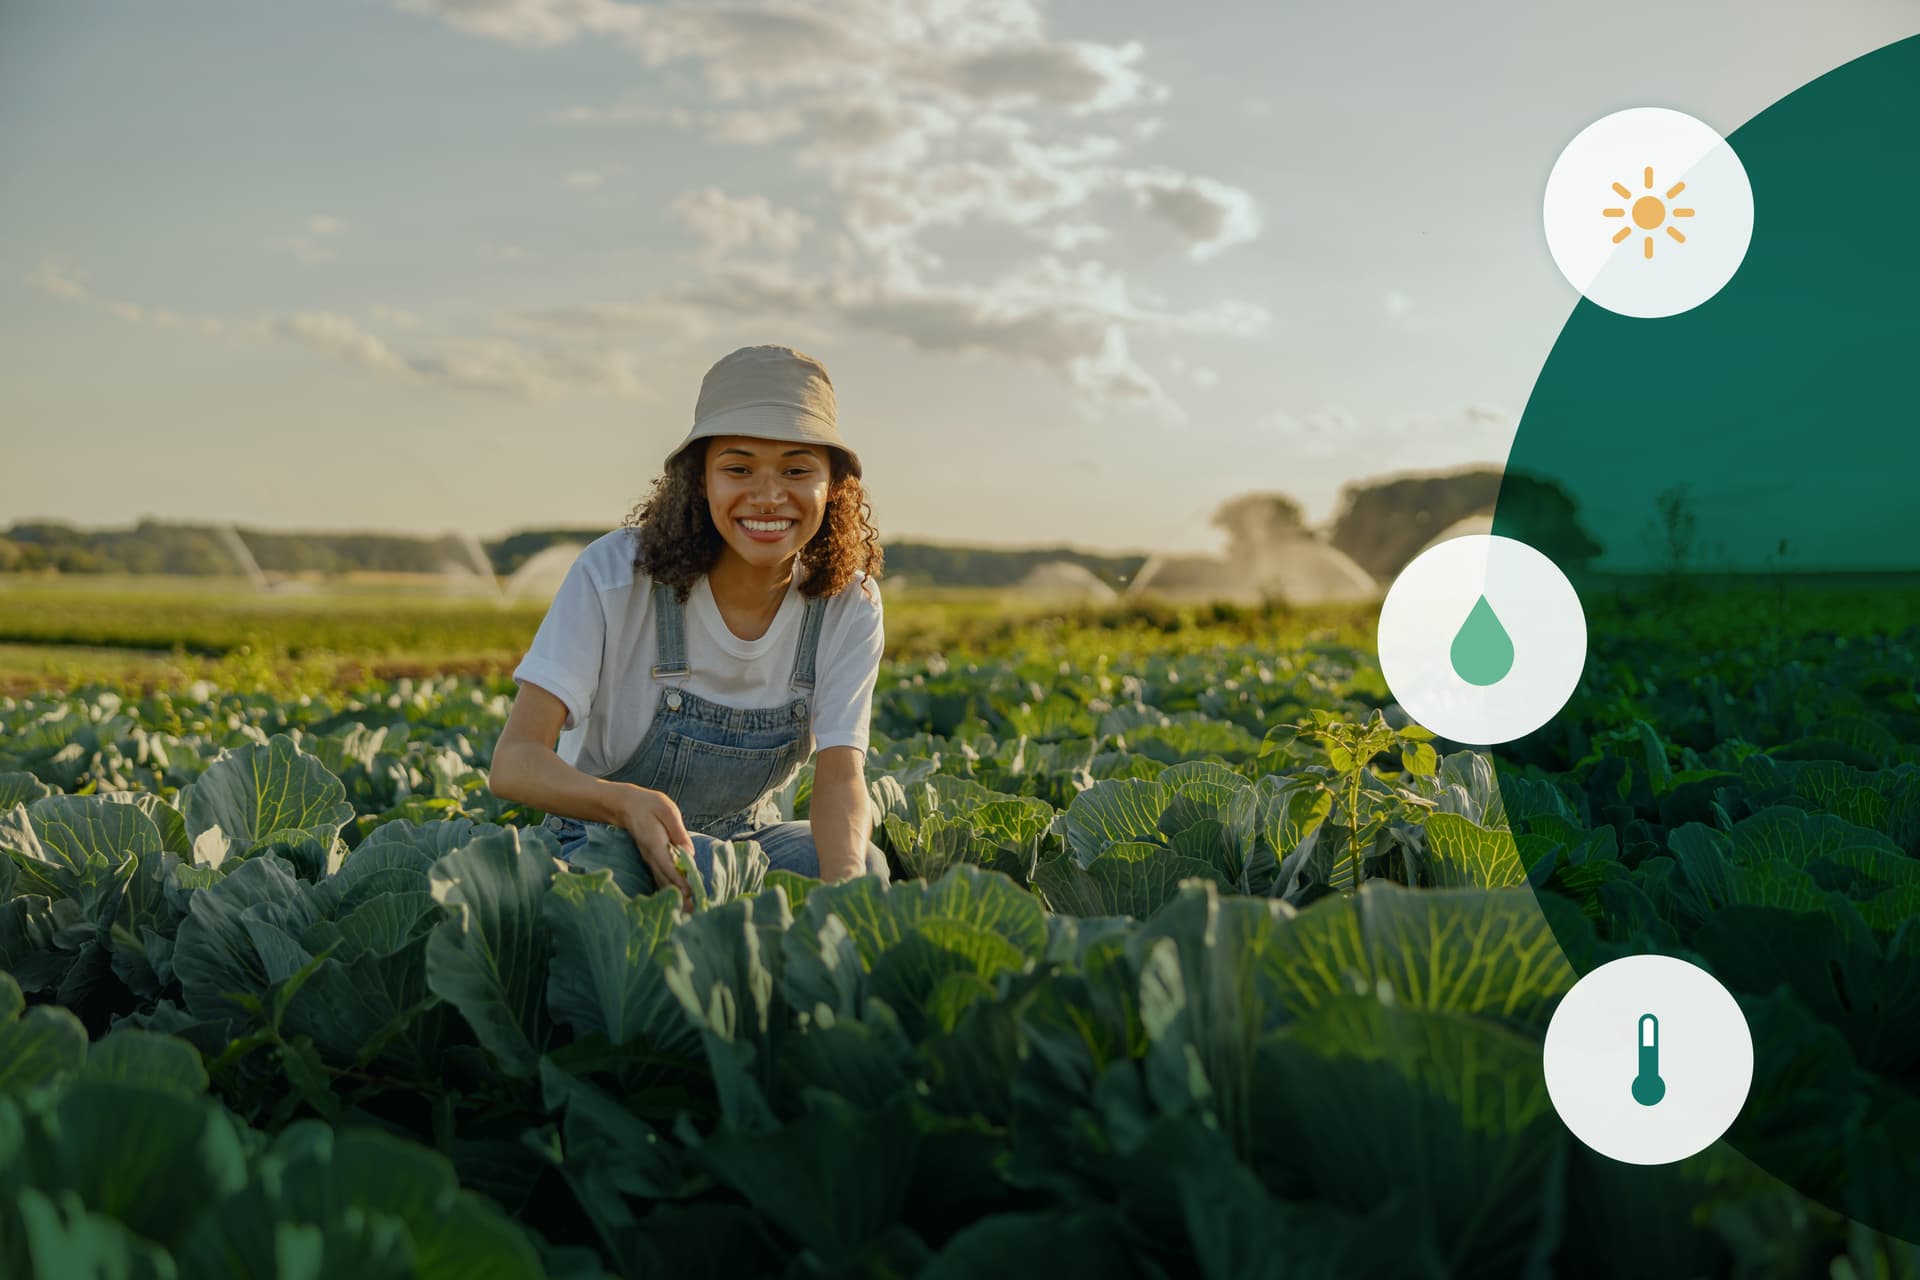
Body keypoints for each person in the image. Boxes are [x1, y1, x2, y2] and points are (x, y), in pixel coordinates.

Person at [488, 345, 890, 909]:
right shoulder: (614, 576)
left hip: (744, 841)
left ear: (834, 485)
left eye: (798, 469)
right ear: (699, 478)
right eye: (739, 468)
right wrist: (623, 803)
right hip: (604, 841)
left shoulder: (849, 603)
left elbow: (842, 775)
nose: (770, 495)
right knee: (678, 873)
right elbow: (514, 763)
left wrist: (847, 896)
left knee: (861, 865)